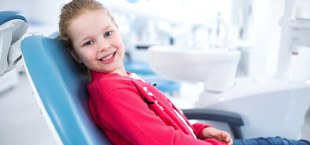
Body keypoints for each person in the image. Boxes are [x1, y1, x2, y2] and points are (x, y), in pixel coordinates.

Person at [58, 0, 310, 145]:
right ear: (74, 53)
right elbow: (160, 141)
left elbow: (164, 119)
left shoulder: (121, 80)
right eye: (88, 43)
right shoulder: (112, 92)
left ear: (117, 30)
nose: (103, 45)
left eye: (108, 33)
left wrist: (200, 129)